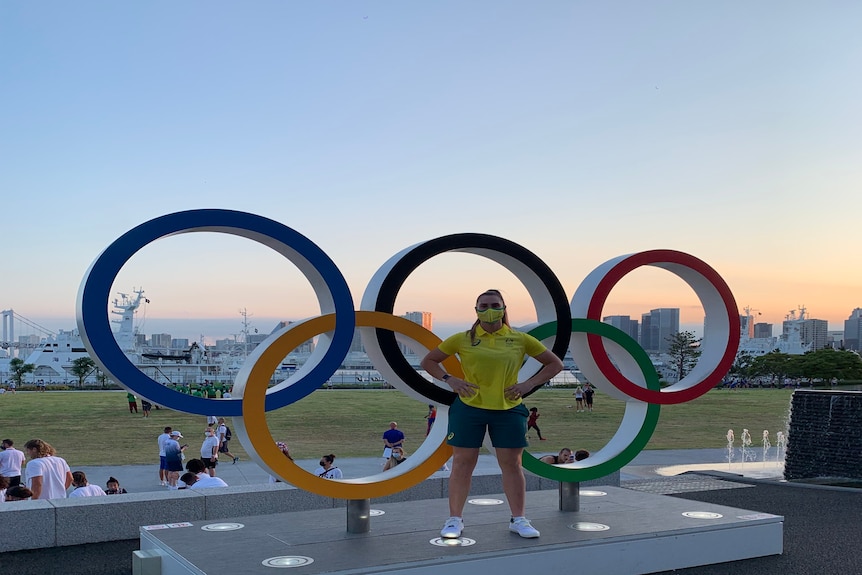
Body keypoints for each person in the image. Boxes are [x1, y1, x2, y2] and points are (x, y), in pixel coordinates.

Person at [420, 289, 563, 540]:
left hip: (508, 409)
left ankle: (519, 519)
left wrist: (528, 384)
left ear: (504, 308)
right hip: (469, 407)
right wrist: (450, 379)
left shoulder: (520, 339)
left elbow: (555, 364)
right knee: (463, 463)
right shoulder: (461, 339)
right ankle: (455, 520)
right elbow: (429, 361)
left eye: (494, 305)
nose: (489, 309)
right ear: (475, 310)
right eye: (483, 305)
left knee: (512, 464)